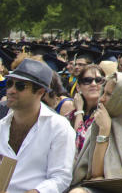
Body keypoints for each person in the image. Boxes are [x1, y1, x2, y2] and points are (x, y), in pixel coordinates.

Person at [0, 58, 75, 193]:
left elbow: (61, 177)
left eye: (20, 86)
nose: (11, 90)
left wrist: (37, 191)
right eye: (10, 83)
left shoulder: (59, 127)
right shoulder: (1, 126)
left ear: (40, 92)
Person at [70, 72, 122, 193]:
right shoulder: (100, 122)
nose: (102, 98)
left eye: (109, 94)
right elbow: (96, 174)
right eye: (103, 92)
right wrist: (104, 131)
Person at [69, 64, 106, 154]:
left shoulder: (105, 114)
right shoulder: (69, 116)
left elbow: (80, 144)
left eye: (98, 80)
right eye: (87, 81)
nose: (93, 84)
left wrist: (79, 111)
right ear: (78, 87)